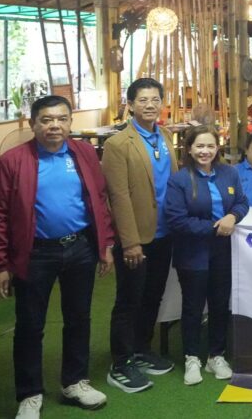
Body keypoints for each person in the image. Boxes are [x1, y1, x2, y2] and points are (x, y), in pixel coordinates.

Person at [0, 95, 115, 418]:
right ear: (33, 124)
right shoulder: (13, 161)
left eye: (61, 119)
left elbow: (99, 199)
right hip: (35, 253)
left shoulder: (85, 153)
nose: (54, 126)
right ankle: (30, 394)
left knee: (79, 318)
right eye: (46, 120)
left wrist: (105, 245)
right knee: (30, 325)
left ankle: (75, 382)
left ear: (70, 123)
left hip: (80, 248)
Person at [101, 78, 179, 393]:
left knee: (152, 296)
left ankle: (142, 349)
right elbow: (117, 196)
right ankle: (121, 362)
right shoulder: (118, 144)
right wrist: (129, 242)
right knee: (129, 299)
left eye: (155, 99)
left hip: (165, 232)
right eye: (143, 100)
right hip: (136, 237)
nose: (150, 105)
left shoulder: (166, 136)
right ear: (130, 105)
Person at [163, 125, 249, 387]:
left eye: (210, 146)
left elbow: (242, 202)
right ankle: (192, 357)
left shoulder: (229, 173)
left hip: (223, 251)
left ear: (217, 148)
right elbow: (176, 219)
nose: (205, 151)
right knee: (192, 306)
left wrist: (233, 216)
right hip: (193, 253)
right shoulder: (179, 180)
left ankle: (216, 356)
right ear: (189, 149)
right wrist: (215, 228)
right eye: (199, 146)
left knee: (220, 305)